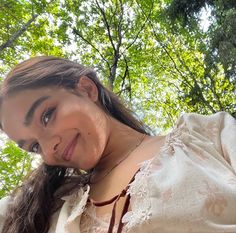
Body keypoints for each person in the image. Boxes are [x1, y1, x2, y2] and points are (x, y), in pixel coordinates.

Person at [0, 56, 235, 233]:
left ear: (86, 88)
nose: (48, 148)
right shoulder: (48, 207)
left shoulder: (209, 135)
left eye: (47, 116)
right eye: (34, 147)